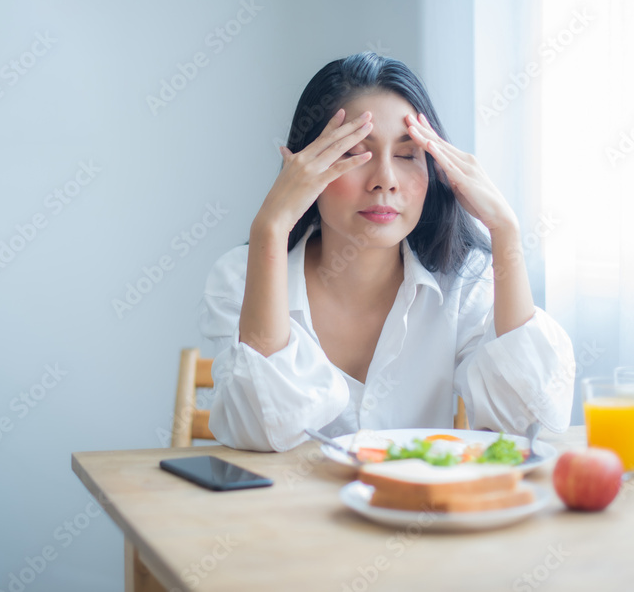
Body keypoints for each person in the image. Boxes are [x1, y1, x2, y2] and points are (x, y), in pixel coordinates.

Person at [197, 51, 575, 452]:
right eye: (355, 152)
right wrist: (270, 229)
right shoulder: (240, 276)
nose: (385, 180)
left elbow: (528, 421)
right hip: (279, 512)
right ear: (304, 166)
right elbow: (261, 432)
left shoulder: (464, 281)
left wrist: (505, 231)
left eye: (407, 154)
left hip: (413, 511)